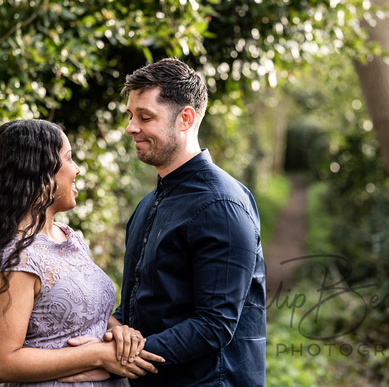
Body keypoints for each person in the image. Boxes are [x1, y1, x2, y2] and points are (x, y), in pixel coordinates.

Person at [0, 119, 164, 385]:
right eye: (68, 158)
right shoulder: (15, 257)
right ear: (39, 173)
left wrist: (118, 332)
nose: (77, 169)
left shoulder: (70, 238)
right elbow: (2, 363)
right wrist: (97, 355)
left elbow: (86, 313)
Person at [70, 58, 267, 386]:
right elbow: (141, 305)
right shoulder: (149, 204)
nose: (131, 127)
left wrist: (119, 358)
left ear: (185, 119)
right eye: (131, 116)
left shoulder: (223, 205)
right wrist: (113, 333)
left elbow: (214, 324)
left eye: (145, 117)